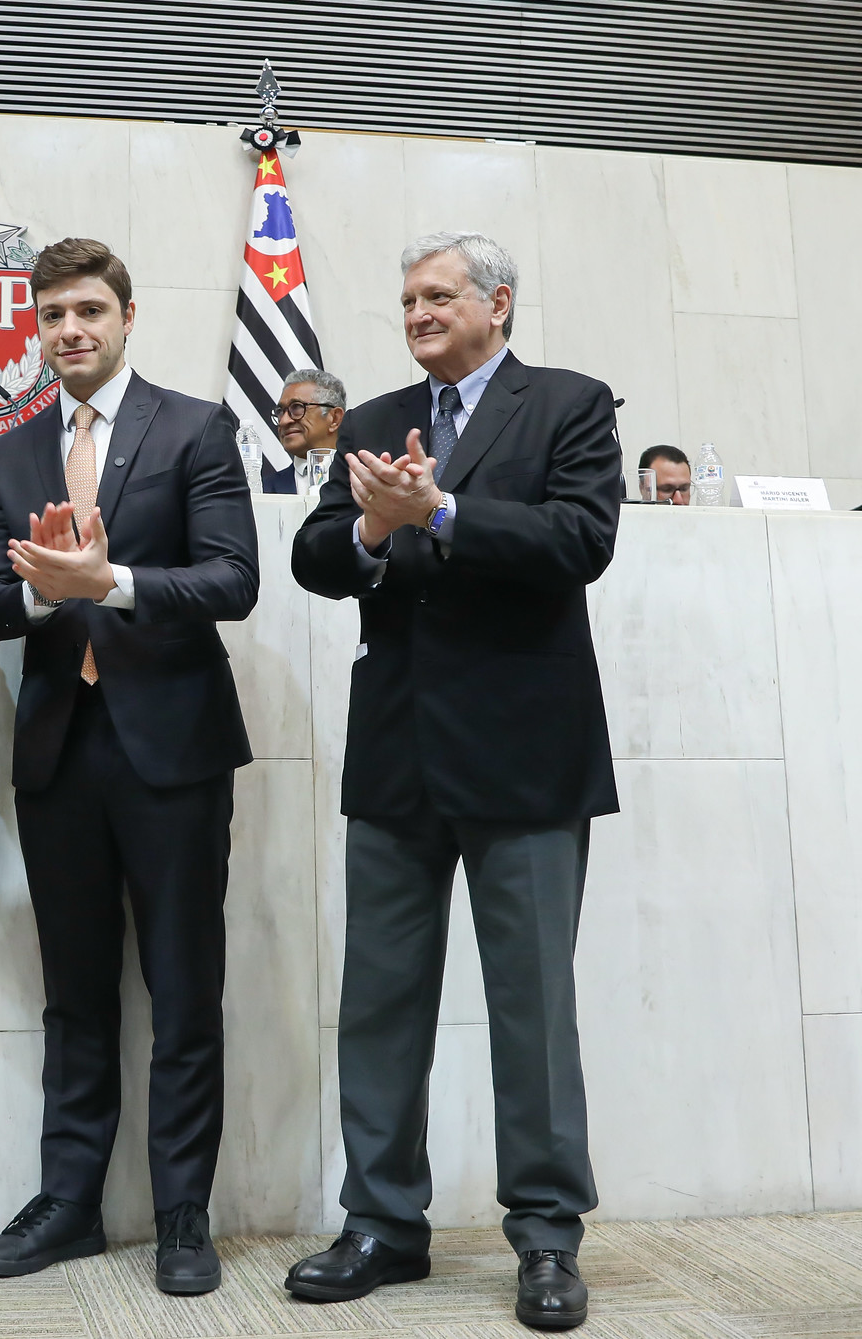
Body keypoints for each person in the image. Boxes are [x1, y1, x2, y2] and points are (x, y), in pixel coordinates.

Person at [286, 232, 620, 1331]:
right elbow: (314, 556)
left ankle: (546, 1236)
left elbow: (579, 539)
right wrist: (371, 529)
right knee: (379, 1001)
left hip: (526, 753)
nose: (417, 313)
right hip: (396, 750)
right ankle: (381, 1223)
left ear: (497, 303)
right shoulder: (375, 420)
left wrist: (437, 512)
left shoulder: (566, 404)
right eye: (406, 300)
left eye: (437, 295)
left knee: (532, 1007)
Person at [0, 238, 259, 1295]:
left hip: (172, 749)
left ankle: (181, 1212)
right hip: (59, 750)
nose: (69, 330)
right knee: (75, 994)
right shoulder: (10, 451)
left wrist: (111, 581)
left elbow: (232, 580)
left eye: (88, 310)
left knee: (183, 989)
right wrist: (44, 593)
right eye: (51, 315)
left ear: (126, 317)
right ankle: (70, 1204)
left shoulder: (194, 427)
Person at [263, 368, 346, 495]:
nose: (284, 421)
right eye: (280, 411)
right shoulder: (262, 491)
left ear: (334, 418)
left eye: (297, 407)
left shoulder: (364, 481)